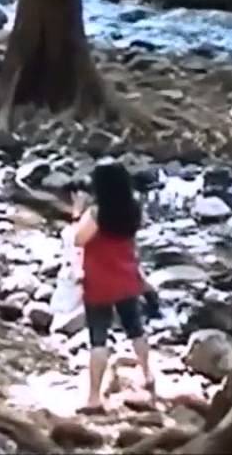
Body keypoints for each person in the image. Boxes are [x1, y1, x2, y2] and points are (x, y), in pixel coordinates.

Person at [71, 161, 154, 414]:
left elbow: (78, 239)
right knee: (135, 330)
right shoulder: (134, 208)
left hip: (99, 281)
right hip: (127, 277)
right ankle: (148, 375)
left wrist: (77, 212)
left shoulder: (97, 213)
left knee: (98, 339)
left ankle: (94, 398)